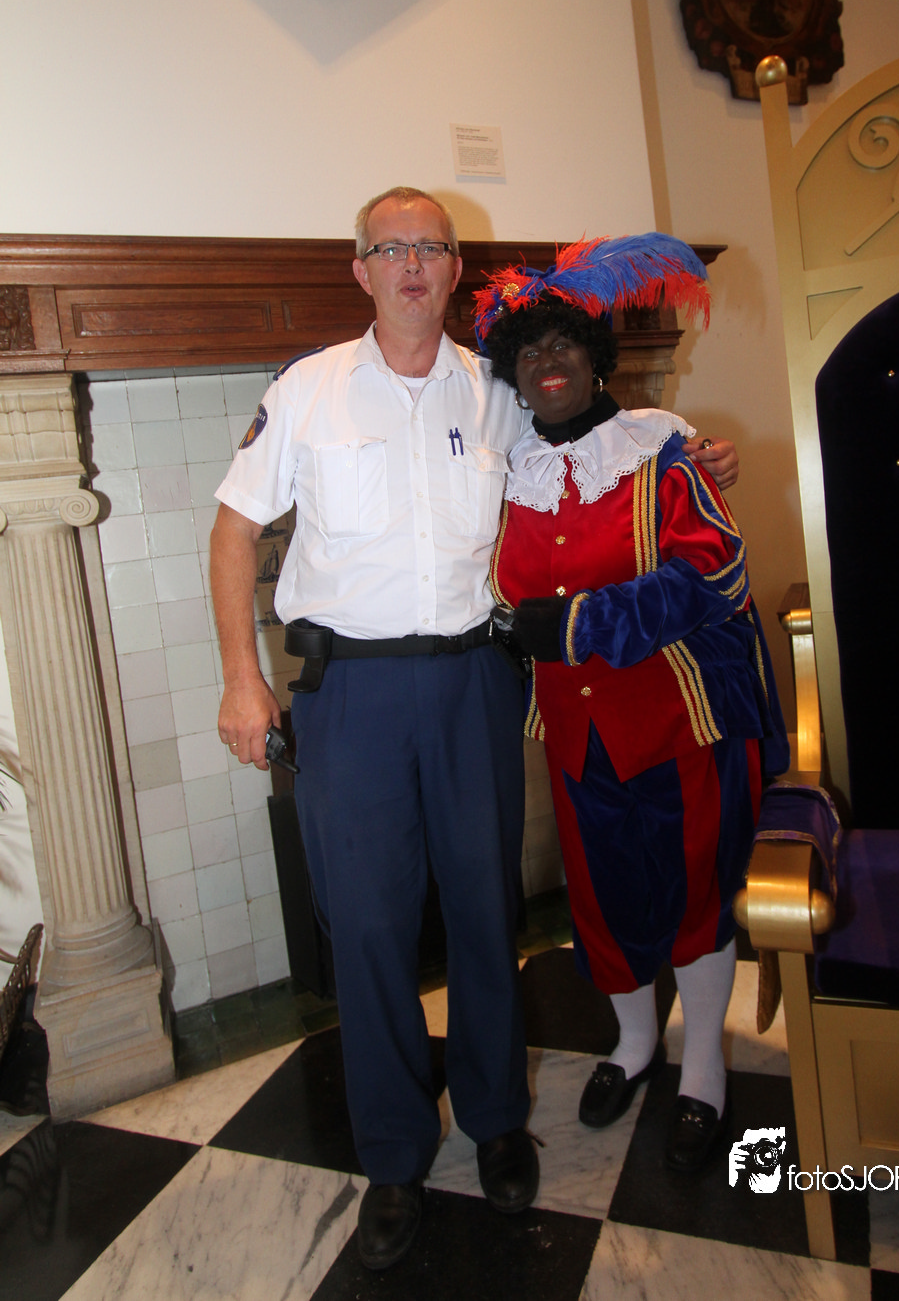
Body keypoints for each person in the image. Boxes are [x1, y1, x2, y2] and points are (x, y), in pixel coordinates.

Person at [210, 189, 740, 1269]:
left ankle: (497, 1122)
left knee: (485, 909)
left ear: (455, 269)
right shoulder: (307, 389)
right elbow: (231, 531)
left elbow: (593, 436)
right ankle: (394, 1155)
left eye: (431, 246)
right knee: (367, 928)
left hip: (474, 685)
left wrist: (690, 450)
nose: (411, 263)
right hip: (351, 694)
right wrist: (240, 680)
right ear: (361, 270)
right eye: (389, 247)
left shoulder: (494, 390)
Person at [476, 236, 789, 1174]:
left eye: (563, 344)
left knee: (694, 891)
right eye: (528, 352)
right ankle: (634, 1042)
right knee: (603, 895)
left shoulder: (662, 452)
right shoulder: (504, 476)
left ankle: (703, 1067)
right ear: (512, 377)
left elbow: (715, 573)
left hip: (679, 718)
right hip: (574, 735)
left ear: (595, 356)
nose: (547, 362)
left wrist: (579, 624)